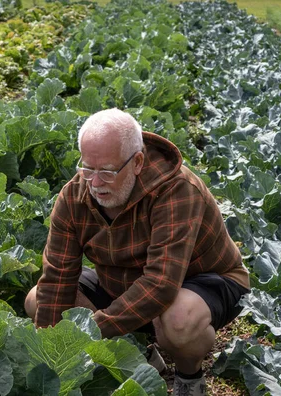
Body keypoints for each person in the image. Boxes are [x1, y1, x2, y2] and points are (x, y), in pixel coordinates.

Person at [25, 108, 250, 396]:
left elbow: (160, 284)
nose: (94, 183)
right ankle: (138, 356)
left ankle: (188, 377)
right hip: (123, 285)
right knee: (38, 301)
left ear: (137, 162)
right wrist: (49, 353)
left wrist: (93, 329)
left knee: (179, 320)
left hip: (199, 283)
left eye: (107, 171)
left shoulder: (176, 189)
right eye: (87, 169)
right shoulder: (74, 196)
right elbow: (57, 275)